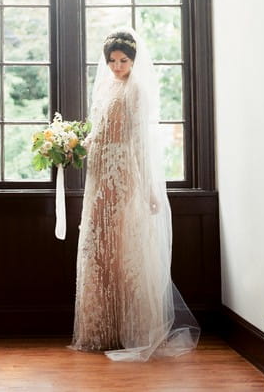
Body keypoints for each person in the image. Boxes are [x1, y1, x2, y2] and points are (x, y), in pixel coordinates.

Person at [71, 28, 199, 361]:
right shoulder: (104, 86)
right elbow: (98, 132)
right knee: (97, 248)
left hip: (122, 174)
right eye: (112, 60)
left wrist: (149, 190)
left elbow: (141, 143)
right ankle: (101, 329)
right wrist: (73, 146)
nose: (116, 66)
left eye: (123, 61)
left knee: (121, 248)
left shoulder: (137, 91)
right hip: (98, 176)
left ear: (133, 61)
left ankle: (128, 328)